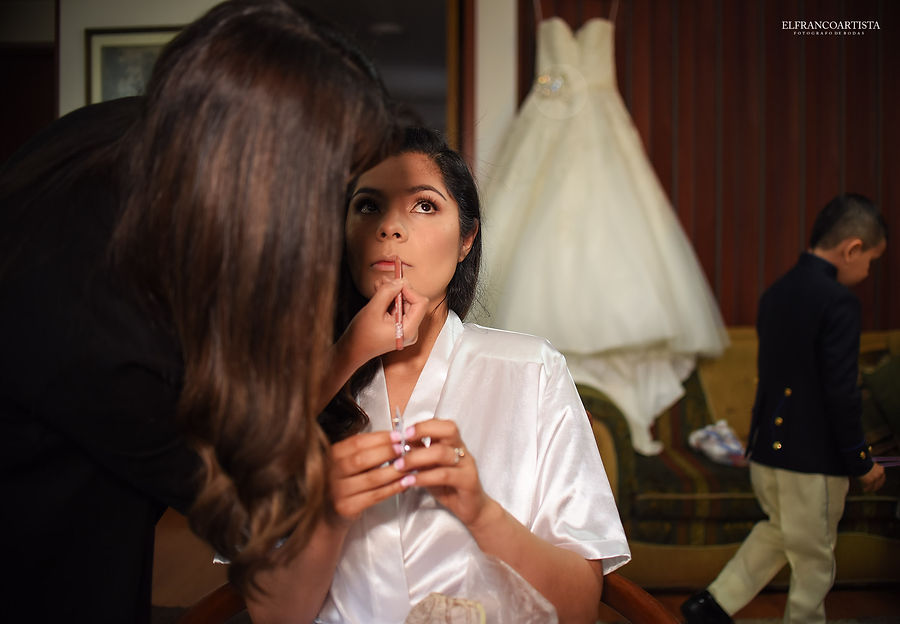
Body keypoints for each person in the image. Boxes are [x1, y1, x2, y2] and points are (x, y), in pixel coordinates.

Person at [0, 1, 406, 621]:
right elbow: (250, 528)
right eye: (332, 187)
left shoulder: (141, 131)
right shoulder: (101, 329)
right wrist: (347, 360)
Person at [245, 127, 630, 624]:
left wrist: (482, 513)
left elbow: (579, 609)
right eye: (368, 206)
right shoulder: (289, 388)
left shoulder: (532, 372)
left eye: (424, 205)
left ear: (466, 239)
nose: (390, 227)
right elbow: (271, 616)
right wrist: (329, 518)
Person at [681, 194, 888, 624]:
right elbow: (841, 393)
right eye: (871, 260)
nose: (869, 273)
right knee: (815, 559)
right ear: (852, 249)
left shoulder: (776, 293)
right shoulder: (839, 302)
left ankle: (712, 605)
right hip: (811, 462)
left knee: (781, 530)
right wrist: (861, 460)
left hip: (767, 452)